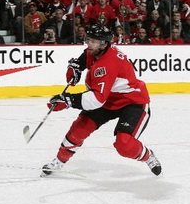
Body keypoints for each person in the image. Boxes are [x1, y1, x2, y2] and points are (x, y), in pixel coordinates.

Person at [42, 25, 162, 177]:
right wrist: (76, 67)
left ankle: (148, 156)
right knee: (79, 129)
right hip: (107, 99)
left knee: (124, 144)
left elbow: (96, 99)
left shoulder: (108, 64)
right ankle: (59, 161)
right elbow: (85, 57)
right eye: (88, 39)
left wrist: (69, 100)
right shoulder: (97, 50)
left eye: (92, 41)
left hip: (132, 101)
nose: (88, 44)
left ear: (104, 44)